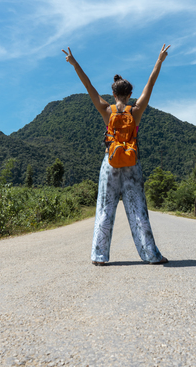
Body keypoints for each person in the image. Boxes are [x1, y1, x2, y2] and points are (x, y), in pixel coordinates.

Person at [62, 44, 170, 265]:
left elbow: (88, 85)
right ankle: (151, 255)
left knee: (105, 208)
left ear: (112, 93)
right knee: (138, 210)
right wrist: (159, 61)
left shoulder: (106, 109)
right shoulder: (136, 110)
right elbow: (150, 85)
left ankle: (99, 256)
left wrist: (74, 64)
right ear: (130, 94)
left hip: (110, 163)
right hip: (132, 162)